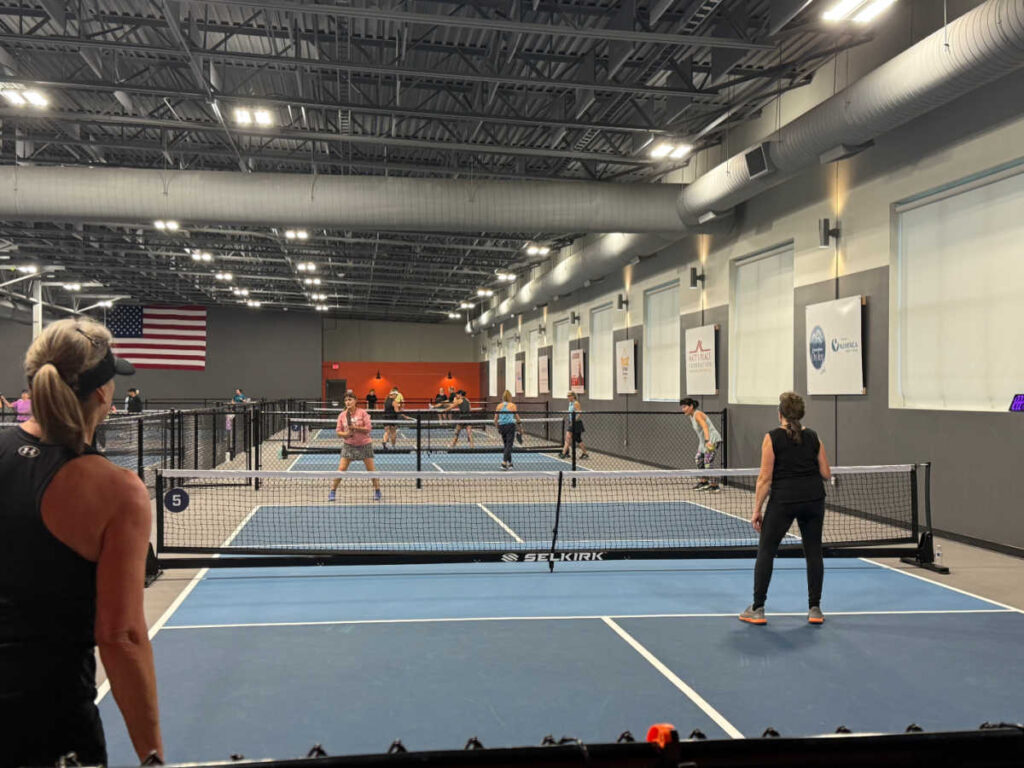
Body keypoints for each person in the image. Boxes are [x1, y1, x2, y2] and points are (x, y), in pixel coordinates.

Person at [0, 318, 163, 765]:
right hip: (51, 726)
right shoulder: (116, 490)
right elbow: (121, 636)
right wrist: (152, 756)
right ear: (104, 393)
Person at [740, 392, 832, 627]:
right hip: (813, 499)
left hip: (784, 501)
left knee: (766, 551)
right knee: (813, 552)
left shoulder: (772, 438)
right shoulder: (813, 436)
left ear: (779, 413)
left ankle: (758, 608)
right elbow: (826, 473)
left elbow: (764, 479)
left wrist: (756, 510)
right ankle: (815, 609)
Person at [328, 391, 381, 502]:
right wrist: (346, 434)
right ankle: (332, 491)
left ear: (355, 401)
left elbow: (368, 428)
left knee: (371, 470)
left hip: (364, 444)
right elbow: (338, 432)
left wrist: (355, 428)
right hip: (349, 445)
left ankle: (377, 490)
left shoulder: (362, 413)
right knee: (341, 469)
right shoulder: (342, 415)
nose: (348, 402)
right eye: (346, 400)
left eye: (350, 400)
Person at [680, 398, 723, 493]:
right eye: (682, 407)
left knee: (708, 462)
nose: (683, 409)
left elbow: (705, 427)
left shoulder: (697, 414)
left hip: (712, 439)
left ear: (691, 406)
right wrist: (703, 442)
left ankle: (715, 485)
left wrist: (708, 441)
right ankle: (704, 482)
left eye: (684, 407)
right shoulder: (691, 416)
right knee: (698, 459)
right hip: (703, 441)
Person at [493, 390, 521, 469]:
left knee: (506, 444)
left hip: (502, 426)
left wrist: (498, 427)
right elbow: (517, 417)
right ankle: (504, 462)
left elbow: (495, 419)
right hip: (510, 426)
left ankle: (510, 463)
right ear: (510, 397)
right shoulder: (512, 406)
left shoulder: (499, 406)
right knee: (509, 444)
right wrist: (520, 428)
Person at [559, 392, 588, 459]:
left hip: (576, 423)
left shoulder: (576, 403)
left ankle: (564, 453)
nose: (568, 397)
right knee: (578, 439)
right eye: (567, 396)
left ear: (573, 396)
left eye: (569, 396)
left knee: (568, 437)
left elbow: (579, 413)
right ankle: (585, 453)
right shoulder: (570, 403)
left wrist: (573, 420)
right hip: (571, 422)